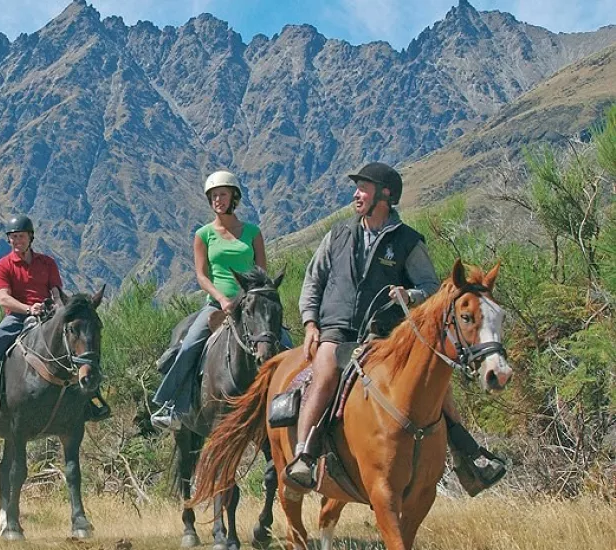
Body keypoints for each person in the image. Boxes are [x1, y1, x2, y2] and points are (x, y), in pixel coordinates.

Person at [284, 162, 507, 495]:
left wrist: (410, 294)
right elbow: (313, 280)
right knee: (326, 370)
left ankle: (469, 456)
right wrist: (310, 323)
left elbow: (433, 287)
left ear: (384, 196)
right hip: (338, 329)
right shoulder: (338, 234)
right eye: (357, 188)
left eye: (364, 188)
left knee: (436, 387)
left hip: (386, 335)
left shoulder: (407, 242)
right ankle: (304, 454)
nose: (356, 194)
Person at [150, 171, 268, 430]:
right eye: (213, 196)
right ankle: (172, 406)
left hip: (249, 305)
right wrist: (222, 299)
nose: (218, 199)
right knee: (190, 343)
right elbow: (202, 276)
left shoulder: (252, 232)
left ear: (234, 197)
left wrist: (250, 299)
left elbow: (262, 273)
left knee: (281, 340)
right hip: (218, 305)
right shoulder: (203, 235)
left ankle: (291, 398)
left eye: (222, 194)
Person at [0, 215, 111, 420]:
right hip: (18, 316)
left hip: (48, 313)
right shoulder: (3, 266)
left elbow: (55, 291)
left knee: (78, 341)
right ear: (9, 240)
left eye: (21, 236)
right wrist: (28, 309)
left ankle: (92, 395)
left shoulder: (47, 263)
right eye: (13, 237)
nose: (18, 241)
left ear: (31, 237)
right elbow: (4, 299)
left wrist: (56, 307)